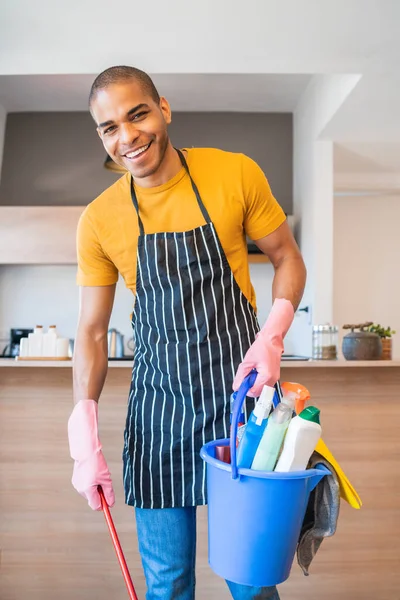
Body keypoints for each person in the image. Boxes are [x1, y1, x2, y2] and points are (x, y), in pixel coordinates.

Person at [67, 65, 306, 600]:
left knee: (250, 577)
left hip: (243, 404)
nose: (127, 136)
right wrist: (83, 418)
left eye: (138, 114)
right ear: (101, 136)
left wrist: (273, 333)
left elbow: (286, 256)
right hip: (159, 413)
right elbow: (92, 330)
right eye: (109, 127)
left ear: (164, 108)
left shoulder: (234, 173)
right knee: (169, 585)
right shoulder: (99, 219)